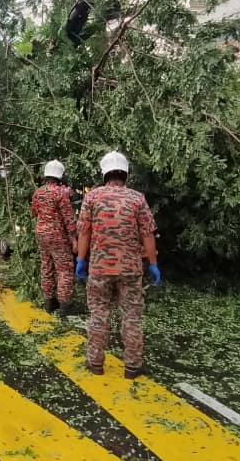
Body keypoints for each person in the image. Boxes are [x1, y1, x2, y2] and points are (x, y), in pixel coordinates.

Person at [76, 151, 159, 379]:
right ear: (125, 173)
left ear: (104, 173)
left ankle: (95, 362)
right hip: (130, 270)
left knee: (99, 314)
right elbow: (148, 234)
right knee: (131, 315)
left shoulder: (92, 198)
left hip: (99, 269)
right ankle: (132, 366)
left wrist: (81, 260)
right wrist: (153, 264)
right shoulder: (137, 198)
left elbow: (84, 232)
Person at [31, 160, 78, 316]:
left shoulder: (38, 192)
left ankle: (49, 302)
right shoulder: (60, 193)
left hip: (41, 233)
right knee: (64, 269)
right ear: (60, 176)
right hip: (57, 236)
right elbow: (68, 218)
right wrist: (73, 239)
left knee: (47, 266)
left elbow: (34, 213)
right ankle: (65, 305)